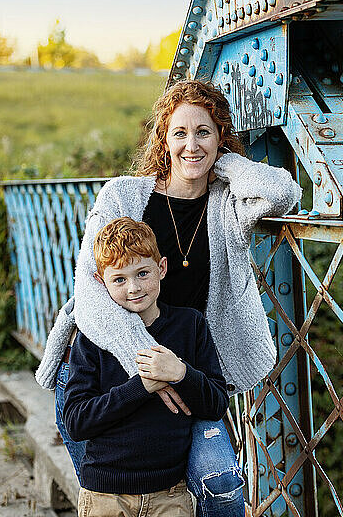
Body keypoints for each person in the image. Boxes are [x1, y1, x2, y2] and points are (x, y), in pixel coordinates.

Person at [36, 79, 302, 517]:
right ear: (163, 140)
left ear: (221, 137)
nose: (191, 145)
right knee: (112, 493)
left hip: (187, 371)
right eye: (179, 133)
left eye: (204, 132)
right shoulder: (122, 195)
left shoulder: (226, 203)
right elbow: (90, 290)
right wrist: (149, 366)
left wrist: (228, 164)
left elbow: (281, 192)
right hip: (105, 373)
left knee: (221, 486)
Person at [64, 217, 229, 517]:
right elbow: (76, 421)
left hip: (169, 494)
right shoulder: (93, 335)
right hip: (105, 494)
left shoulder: (189, 325)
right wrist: (141, 387)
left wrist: (180, 373)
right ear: (102, 281)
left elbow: (217, 403)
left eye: (142, 273)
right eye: (119, 280)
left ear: (162, 268)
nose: (134, 288)